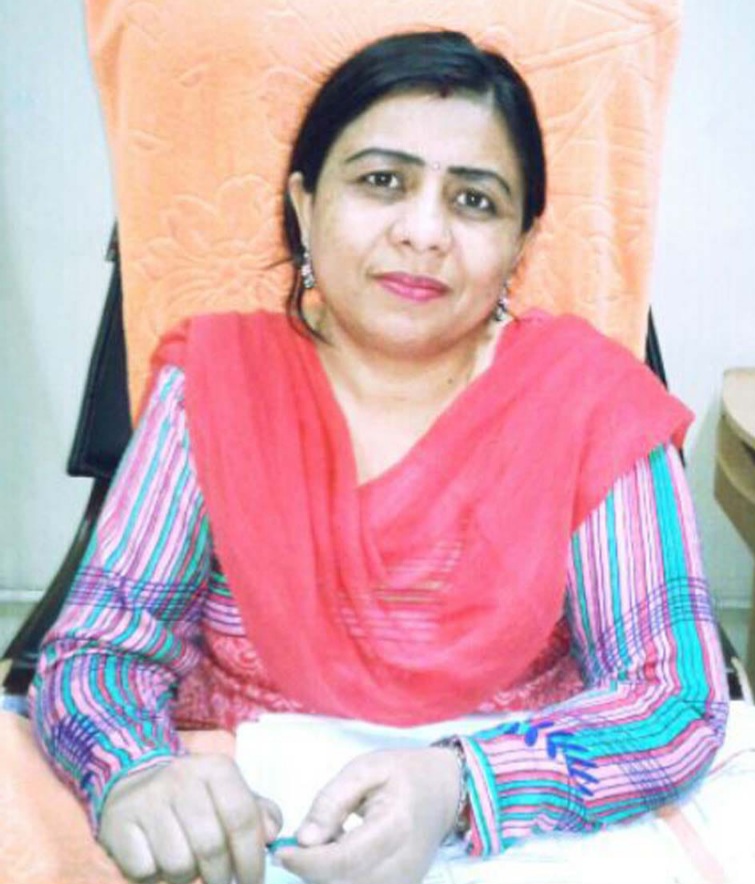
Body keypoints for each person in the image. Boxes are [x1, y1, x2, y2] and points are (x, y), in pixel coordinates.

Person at [31, 30, 728, 884]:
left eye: (474, 200)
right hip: (243, 829)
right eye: (381, 182)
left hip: (521, 840)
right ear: (304, 204)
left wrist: (465, 785)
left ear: (520, 242)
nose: (423, 232)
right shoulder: (214, 382)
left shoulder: (590, 400)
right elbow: (101, 648)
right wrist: (136, 771)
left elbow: (674, 696)